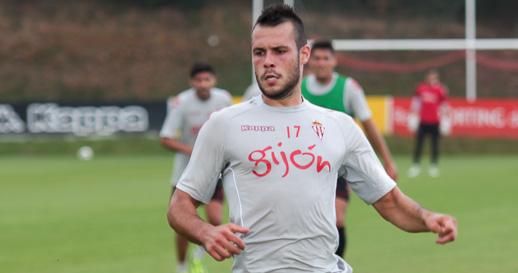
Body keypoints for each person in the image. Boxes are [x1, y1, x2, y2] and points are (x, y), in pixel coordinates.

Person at [168, 5, 457, 273]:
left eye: (279, 51)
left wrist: (427, 218)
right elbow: (180, 205)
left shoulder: (339, 126)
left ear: (303, 54)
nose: (268, 62)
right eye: (259, 52)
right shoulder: (224, 124)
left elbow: (390, 201)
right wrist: (205, 232)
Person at [303, 39, 398, 257]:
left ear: (334, 61)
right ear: (310, 61)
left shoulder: (348, 88)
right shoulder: (299, 87)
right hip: (304, 166)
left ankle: (336, 265)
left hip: (338, 167)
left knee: (337, 217)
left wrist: (387, 160)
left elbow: (369, 125)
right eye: (316, 58)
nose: (321, 63)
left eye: (326, 58)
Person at [160, 62, 232, 273]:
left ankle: (199, 255)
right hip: (185, 173)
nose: (203, 84)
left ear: (214, 80)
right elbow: (165, 138)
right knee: (182, 224)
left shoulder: (223, 99)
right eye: (198, 80)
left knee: (216, 219)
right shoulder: (181, 103)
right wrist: (195, 152)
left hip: (216, 170)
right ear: (192, 82)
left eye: (207, 79)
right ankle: (181, 267)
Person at [407, 70, 449, 178]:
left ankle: (433, 166)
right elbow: (415, 103)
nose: (432, 79)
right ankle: (416, 165)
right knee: (419, 144)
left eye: (434, 77)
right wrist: (413, 118)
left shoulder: (440, 90)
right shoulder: (421, 89)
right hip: (423, 121)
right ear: (427, 78)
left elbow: (444, 105)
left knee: (435, 144)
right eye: (430, 77)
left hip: (435, 121)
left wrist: (446, 121)